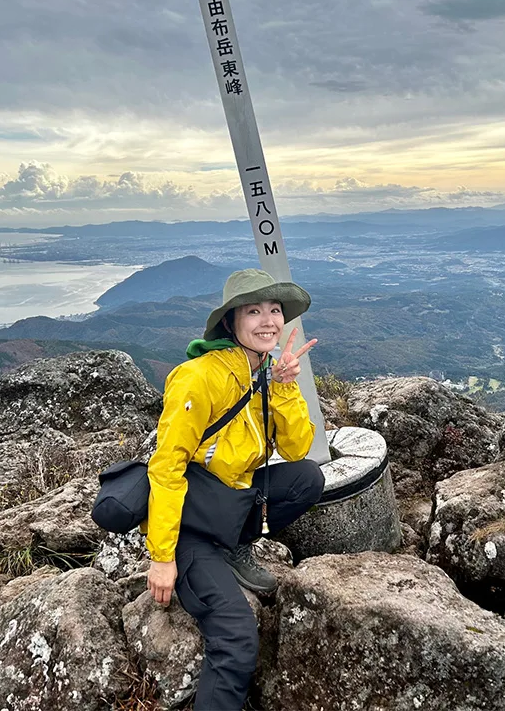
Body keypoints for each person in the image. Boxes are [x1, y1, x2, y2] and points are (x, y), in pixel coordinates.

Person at [144, 269, 325, 711]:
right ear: (231, 323)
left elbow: (299, 447)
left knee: (307, 479)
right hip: (191, 524)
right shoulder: (198, 378)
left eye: (274, 310)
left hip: (231, 501)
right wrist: (162, 557)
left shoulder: (263, 371)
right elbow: (166, 468)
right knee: (238, 636)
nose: (268, 321)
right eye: (253, 311)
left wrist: (284, 387)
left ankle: (236, 546)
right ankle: (209, 556)